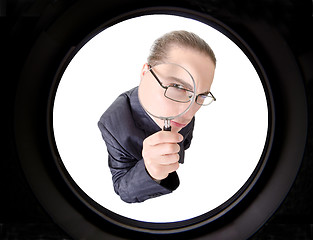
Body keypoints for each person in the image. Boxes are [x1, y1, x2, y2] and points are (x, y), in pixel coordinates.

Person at [98, 30, 216, 203]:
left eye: (201, 96)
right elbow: (122, 189)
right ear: (146, 73)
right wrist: (150, 172)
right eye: (177, 86)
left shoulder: (186, 105)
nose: (189, 112)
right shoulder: (112, 123)